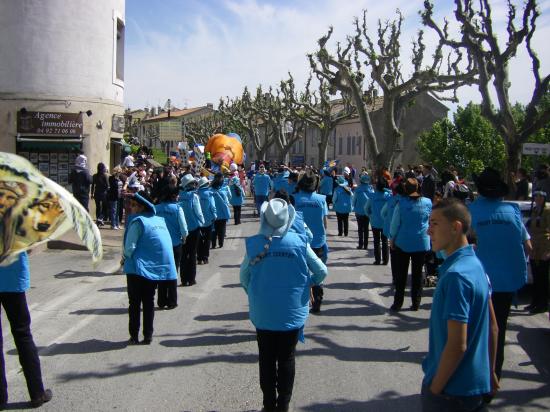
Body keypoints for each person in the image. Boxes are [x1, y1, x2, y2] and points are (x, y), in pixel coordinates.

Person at [240, 198, 327, 412]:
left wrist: (256, 294)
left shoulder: (254, 243)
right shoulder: (299, 242)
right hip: (293, 311)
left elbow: (244, 277)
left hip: (263, 312)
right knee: (287, 357)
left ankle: (268, 404)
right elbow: (321, 271)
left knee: (266, 359)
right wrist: (307, 284)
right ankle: (284, 405)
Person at [422, 198, 499, 412]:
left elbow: (457, 345)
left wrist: (435, 390)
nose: (429, 231)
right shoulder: (475, 265)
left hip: (451, 391)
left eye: (435, 224)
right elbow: (493, 326)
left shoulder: (456, 276)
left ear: (456, 227)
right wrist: (490, 372)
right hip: (475, 385)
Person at [469, 168, 531, 384]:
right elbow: (528, 245)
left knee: (475, 329)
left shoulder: (472, 210)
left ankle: (478, 377)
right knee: (499, 328)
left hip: (478, 280)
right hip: (506, 279)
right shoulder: (513, 210)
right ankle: (495, 373)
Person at [123, 192, 177, 344]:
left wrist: (124, 257)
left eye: (134, 205)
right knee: (148, 302)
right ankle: (148, 335)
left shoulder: (137, 222)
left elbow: (129, 247)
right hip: (153, 269)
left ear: (141, 207)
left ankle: (134, 335)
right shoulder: (159, 220)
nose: (131, 208)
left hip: (136, 269)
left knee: (134, 303)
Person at [0, 252, 53, 409]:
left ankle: (0, 398)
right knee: (22, 333)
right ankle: (37, 393)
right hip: (12, 275)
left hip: (12, 275)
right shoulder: (17, 225)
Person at [389, 178, 432, 311]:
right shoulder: (427, 202)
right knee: (418, 274)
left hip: (403, 242)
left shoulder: (400, 203)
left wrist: (392, 239)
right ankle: (416, 302)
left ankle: (398, 302)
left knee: (401, 275)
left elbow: (395, 224)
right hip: (421, 242)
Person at [294, 170, 329, 313]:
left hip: (300, 241)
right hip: (318, 241)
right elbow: (325, 222)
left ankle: (299, 302)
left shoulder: (294, 199)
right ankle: (317, 301)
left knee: (299, 272)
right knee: (318, 271)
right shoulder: (321, 199)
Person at [155, 185, 188, 310]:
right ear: (173, 195)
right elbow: (184, 228)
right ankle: (172, 301)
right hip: (175, 244)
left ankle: (161, 300)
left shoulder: (156, 209)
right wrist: (184, 238)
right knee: (173, 271)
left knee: (161, 271)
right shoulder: (177, 209)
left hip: (160, 245)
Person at [524, 191, 550, 313]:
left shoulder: (547, 210)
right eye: (536, 196)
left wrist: (548, 251)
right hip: (534, 246)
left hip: (544, 246)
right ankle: (535, 302)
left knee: (543, 277)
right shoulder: (534, 210)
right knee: (536, 276)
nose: (538, 198)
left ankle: (543, 304)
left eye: (540, 196)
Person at [178, 174, 205, 286]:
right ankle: (191, 279)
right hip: (194, 228)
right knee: (192, 253)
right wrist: (202, 223)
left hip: (182, 230)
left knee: (184, 255)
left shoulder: (179, 196)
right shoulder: (194, 197)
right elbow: (198, 213)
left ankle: (184, 279)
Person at [366, 178, 392, 265]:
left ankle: (377, 260)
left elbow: (366, 208)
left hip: (374, 221)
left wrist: (369, 215)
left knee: (376, 240)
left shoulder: (372, 196)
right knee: (385, 241)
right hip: (385, 221)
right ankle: (385, 260)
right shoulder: (388, 196)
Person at [197, 177, 217, 265]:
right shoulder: (209, 193)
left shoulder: (196, 194)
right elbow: (212, 206)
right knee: (207, 239)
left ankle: (199, 257)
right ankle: (205, 257)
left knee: (200, 239)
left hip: (198, 221)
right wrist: (215, 215)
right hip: (208, 219)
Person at [352, 173, 373, 250]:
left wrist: (353, 206)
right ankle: (366, 245)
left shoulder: (357, 190)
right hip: (368, 212)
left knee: (360, 228)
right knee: (366, 228)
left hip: (359, 211)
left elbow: (353, 200)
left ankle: (360, 244)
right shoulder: (371, 190)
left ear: (361, 181)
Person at [210, 173, 231, 249]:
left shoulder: (210, 191)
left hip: (213, 215)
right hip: (222, 214)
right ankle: (221, 243)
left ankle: (213, 244)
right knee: (222, 229)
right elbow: (226, 203)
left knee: (213, 230)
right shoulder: (223, 192)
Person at [91, 162, 109, 227]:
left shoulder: (94, 176)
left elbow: (93, 185)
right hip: (103, 193)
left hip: (96, 193)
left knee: (98, 207)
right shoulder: (104, 175)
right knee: (105, 208)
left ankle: (98, 220)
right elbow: (107, 185)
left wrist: (92, 193)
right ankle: (100, 218)